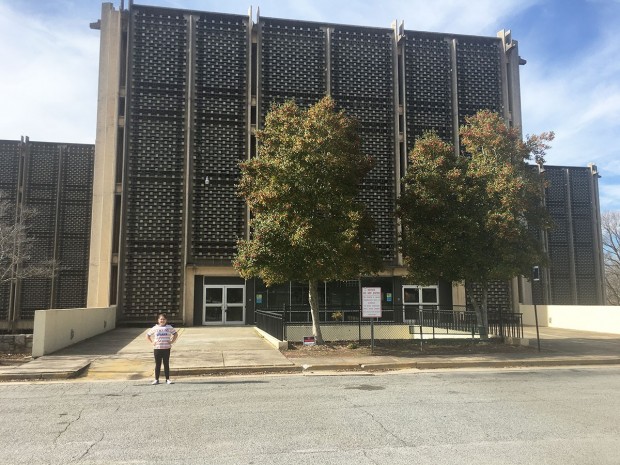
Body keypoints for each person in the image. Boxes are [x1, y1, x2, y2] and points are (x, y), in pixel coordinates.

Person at [146, 313, 178, 385]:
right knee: (158, 364)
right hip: (157, 348)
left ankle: (167, 379)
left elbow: (175, 334)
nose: (162, 320)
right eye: (161, 319)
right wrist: (152, 342)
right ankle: (156, 379)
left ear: (166, 320)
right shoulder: (155, 328)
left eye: (163, 319)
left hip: (166, 348)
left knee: (166, 363)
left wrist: (172, 341)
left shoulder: (169, 327)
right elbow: (147, 335)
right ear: (158, 320)